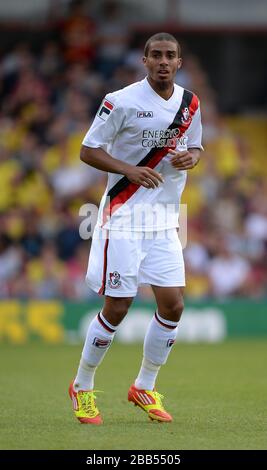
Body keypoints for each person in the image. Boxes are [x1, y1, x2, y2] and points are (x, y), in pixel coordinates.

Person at [69, 32, 203, 425]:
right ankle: (82, 385)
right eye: (156, 55)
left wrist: (191, 158)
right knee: (118, 306)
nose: (164, 61)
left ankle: (144, 385)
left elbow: (195, 146)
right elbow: (87, 149)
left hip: (164, 220)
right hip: (123, 216)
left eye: (171, 56)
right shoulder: (120, 100)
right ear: (144, 60)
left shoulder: (190, 103)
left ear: (179, 62)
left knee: (173, 304)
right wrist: (129, 169)